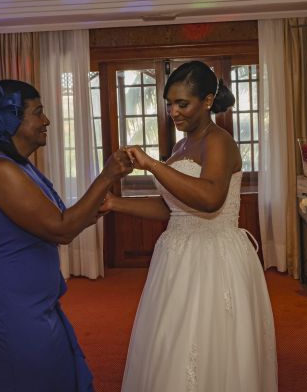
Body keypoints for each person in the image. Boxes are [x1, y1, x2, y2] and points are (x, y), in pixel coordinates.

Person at [100, 61, 278, 391]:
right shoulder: (181, 146)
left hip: (215, 257)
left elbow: (210, 198)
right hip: (176, 255)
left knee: (209, 343)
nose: (174, 112)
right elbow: (174, 208)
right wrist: (114, 204)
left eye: (183, 103)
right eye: (170, 104)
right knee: (172, 342)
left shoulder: (219, 142)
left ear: (208, 100)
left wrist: (151, 163)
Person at [0, 79, 132, 392]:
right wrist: (106, 175)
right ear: (11, 119)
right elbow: (61, 229)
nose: (46, 121)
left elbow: (55, 221)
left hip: (36, 307)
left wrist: (92, 209)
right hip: (12, 314)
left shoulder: (22, 167)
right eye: (38, 113)